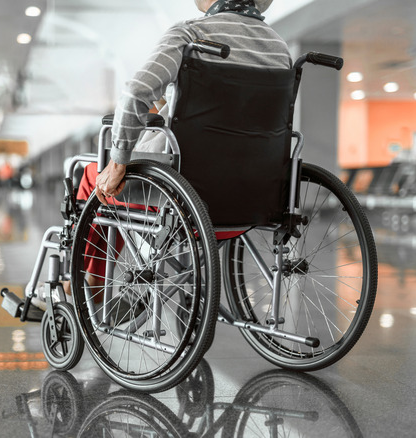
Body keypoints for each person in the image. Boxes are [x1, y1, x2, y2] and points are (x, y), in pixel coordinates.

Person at [68, 0, 290, 313]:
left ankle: (87, 288)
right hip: (252, 203)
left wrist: (118, 162)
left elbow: (135, 93)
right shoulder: (278, 49)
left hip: (185, 195)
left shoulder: (192, 34)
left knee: (92, 176)